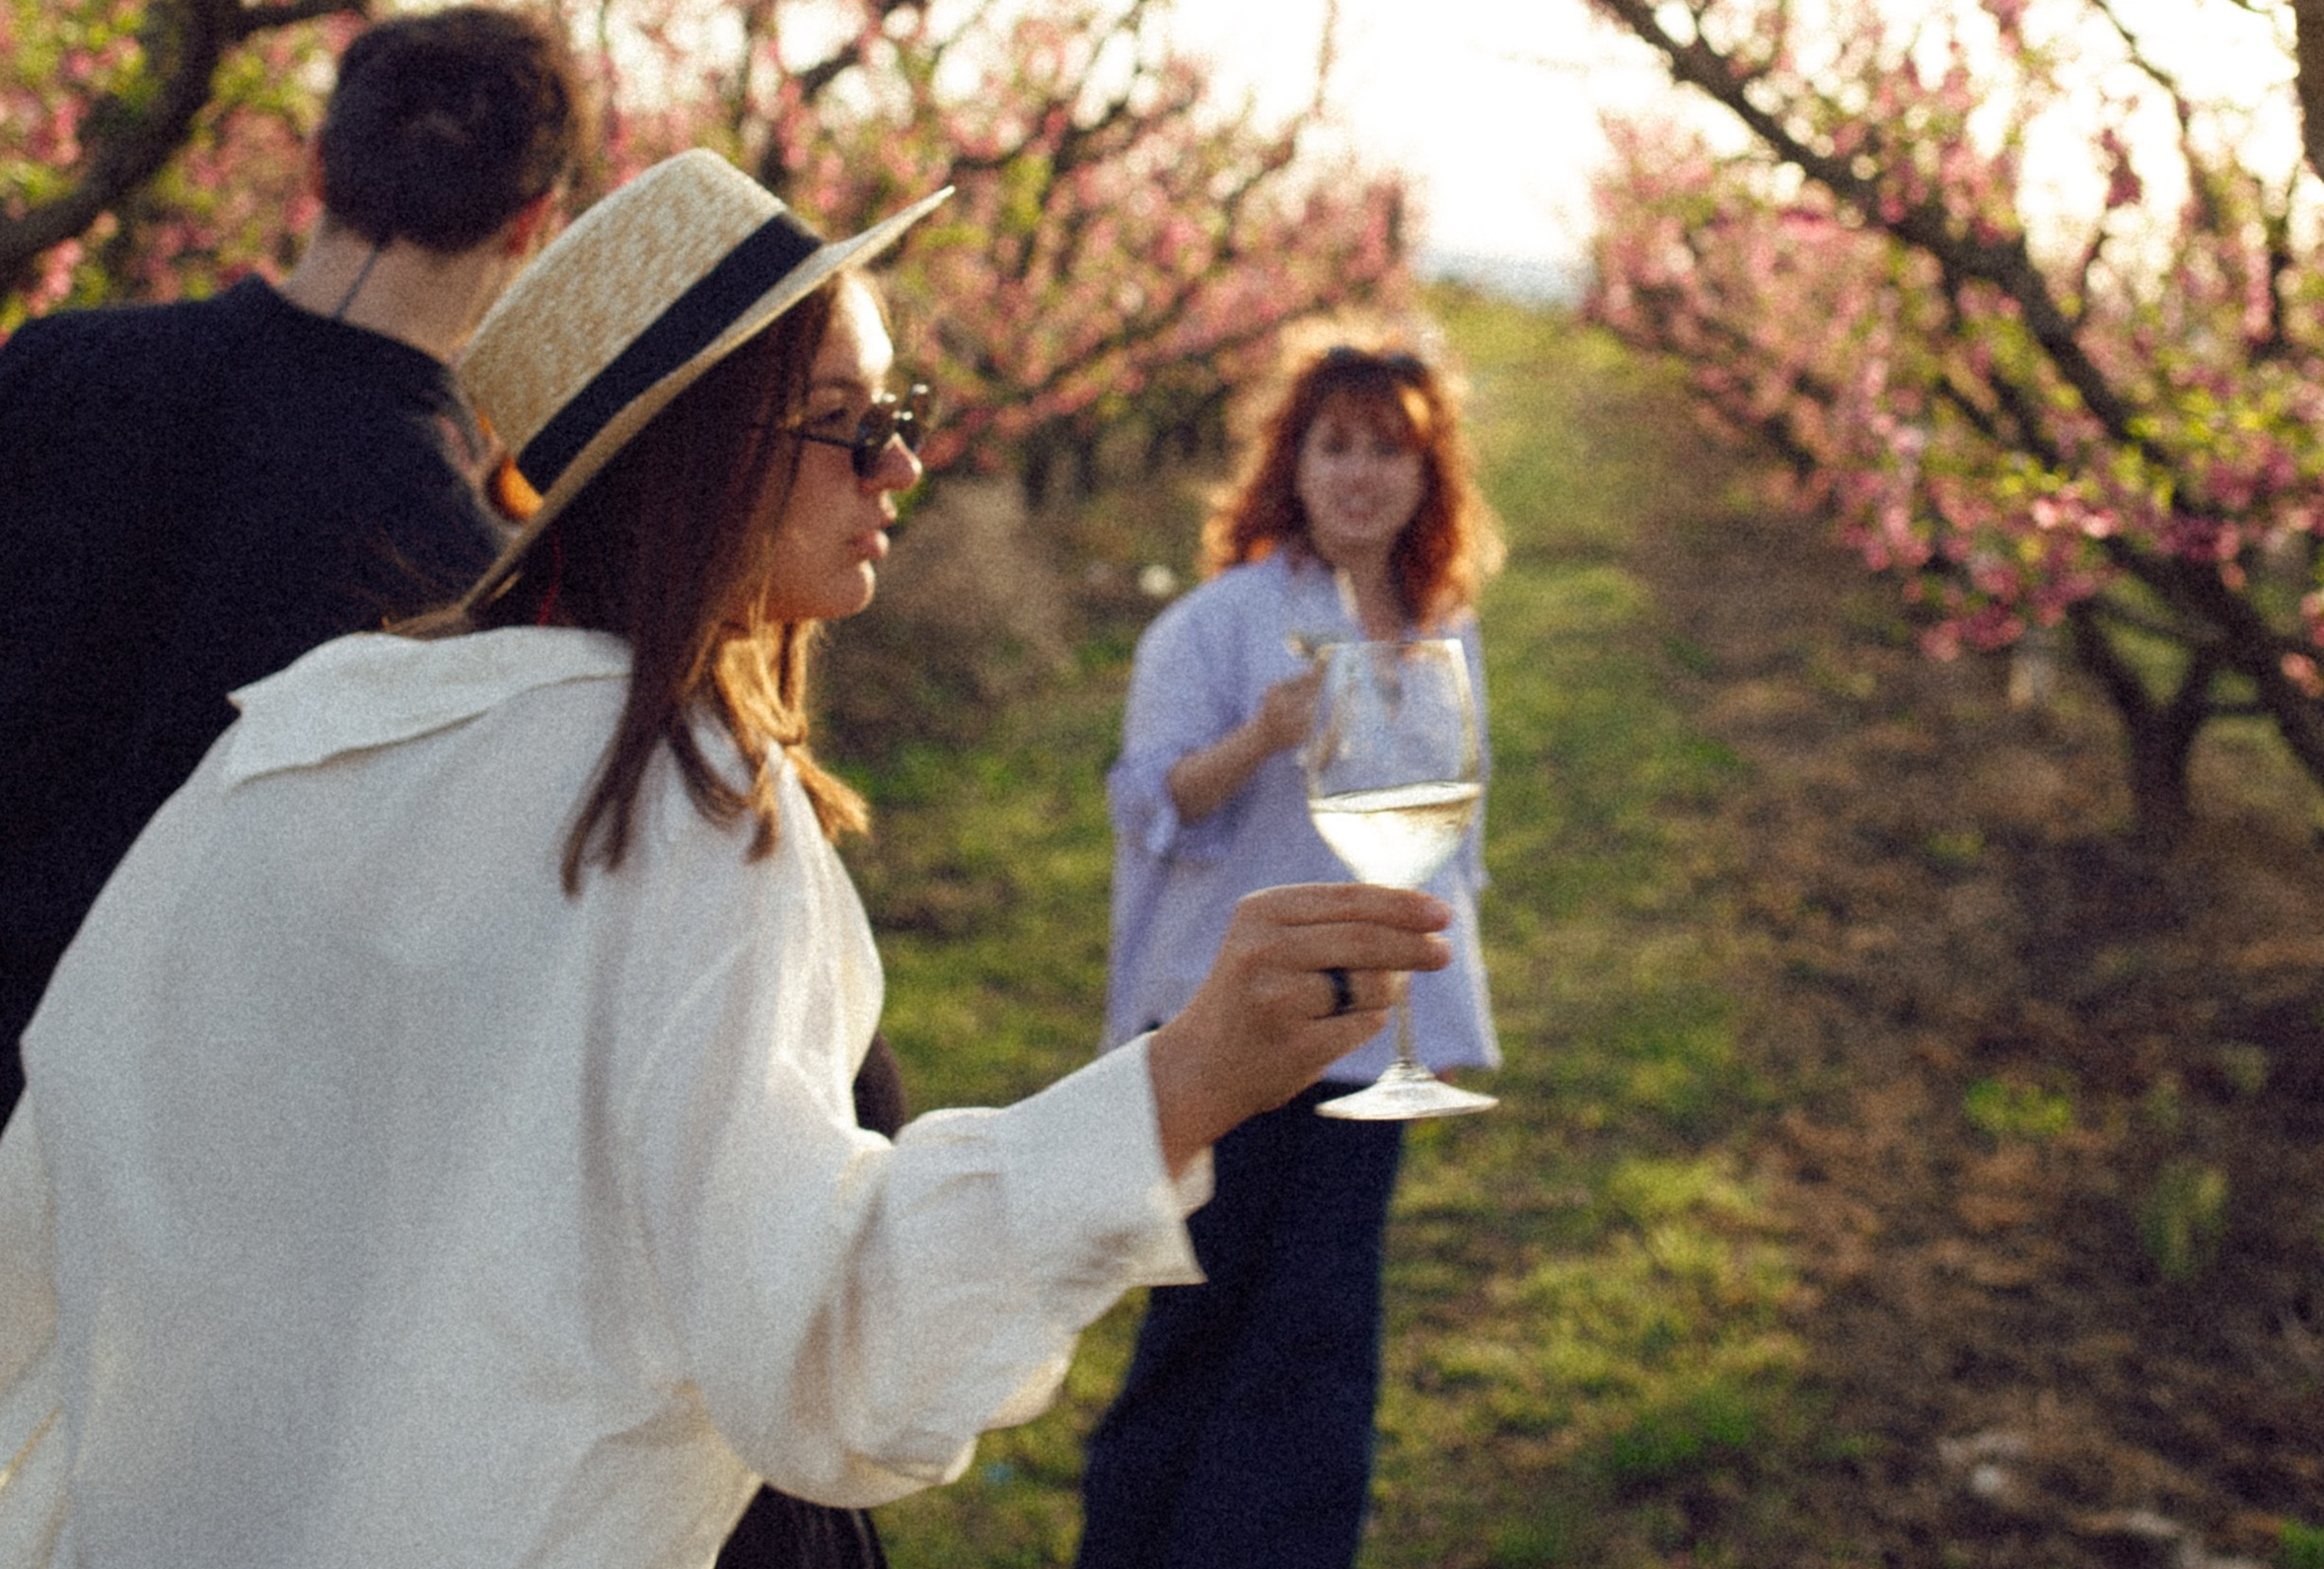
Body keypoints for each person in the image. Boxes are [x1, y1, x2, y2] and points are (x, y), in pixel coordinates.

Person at [0, 150, 1450, 1569]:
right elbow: (820, 1348)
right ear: (695, 451)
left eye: (898, 412)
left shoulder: (307, 735)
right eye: (846, 424)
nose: (905, 463)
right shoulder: (678, 808)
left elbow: (58, 1195)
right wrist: (1180, 1084)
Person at [0, 4, 587, 1119]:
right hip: (135, 1127)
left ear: (318, 165)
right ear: (530, 224)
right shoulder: (465, 572)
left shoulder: (54, 365)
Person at [1074, 334, 1504, 1569]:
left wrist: (1435, 1005)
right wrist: (1259, 738)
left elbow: (1455, 825)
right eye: (1337, 445)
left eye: (1390, 449)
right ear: (1293, 464)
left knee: (1322, 1326)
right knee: (1200, 1313)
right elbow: (1150, 801)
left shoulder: (1439, 627)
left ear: (1428, 473)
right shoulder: (1214, 625)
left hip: (1367, 1023)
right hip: (1231, 1017)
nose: (1361, 474)